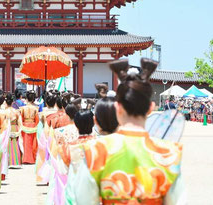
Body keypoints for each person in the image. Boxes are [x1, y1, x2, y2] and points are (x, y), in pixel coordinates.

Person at [67, 58, 185, 204]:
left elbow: (83, 201)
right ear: (150, 107)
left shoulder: (97, 151)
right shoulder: (168, 153)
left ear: (117, 107)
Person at [19, 90, 39, 164]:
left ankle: (25, 158)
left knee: (25, 143)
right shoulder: (36, 108)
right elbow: (37, 119)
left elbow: (21, 118)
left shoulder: (22, 108)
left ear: (26, 98)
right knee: (33, 143)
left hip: (25, 125)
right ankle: (32, 158)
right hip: (33, 125)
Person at [4, 92, 22, 168]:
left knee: (7, 144)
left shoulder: (3, 112)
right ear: (12, 102)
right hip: (14, 127)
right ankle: (15, 161)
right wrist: (19, 131)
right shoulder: (16, 111)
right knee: (15, 144)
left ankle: (7, 162)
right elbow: (20, 123)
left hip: (6, 127)